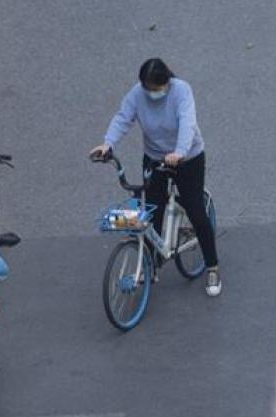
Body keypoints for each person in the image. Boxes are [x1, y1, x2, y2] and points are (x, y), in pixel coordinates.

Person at [90, 57, 221, 296]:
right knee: (151, 209)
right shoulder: (137, 95)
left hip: (187, 157)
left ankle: (212, 266)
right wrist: (108, 144)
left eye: (155, 89)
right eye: (147, 88)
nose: (151, 93)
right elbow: (123, 118)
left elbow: (187, 124)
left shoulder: (181, 91)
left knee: (195, 210)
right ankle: (150, 263)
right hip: (154, 157)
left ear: (167, 82)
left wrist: (179, 153)